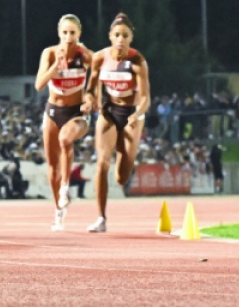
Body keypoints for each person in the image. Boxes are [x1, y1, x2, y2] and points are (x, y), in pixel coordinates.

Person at [84, 13, 152, 233]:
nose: (121, 39)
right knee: (102, 162)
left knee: (122, 176)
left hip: (132, 114)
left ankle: (126, 166)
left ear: (131, 38)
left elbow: (146, 99)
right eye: (117, 35)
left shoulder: (138, 61)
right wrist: (91, 99)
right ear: (110, 36)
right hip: (109, 112)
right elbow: (90, 87)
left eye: (125, 35)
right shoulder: (100, 58)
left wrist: (136, 114)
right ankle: (101, 218)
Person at [33, 14, 94, 231]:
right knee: (52, 167)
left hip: (76, 113)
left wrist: (90, 98)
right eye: (65, 33)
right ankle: (58, 211)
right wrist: (54, 69)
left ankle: (65, 188)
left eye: (73, 33)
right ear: (59, 33)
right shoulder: (49, 53)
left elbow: (99, 79)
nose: (69, 37)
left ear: (79, 34)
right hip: (53, 111)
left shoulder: (85, 55)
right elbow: (39, 84)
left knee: (65, 139)